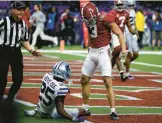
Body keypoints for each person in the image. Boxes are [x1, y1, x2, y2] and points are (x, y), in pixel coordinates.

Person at [80, 2, 127, 120]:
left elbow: (120, 33)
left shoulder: (105, 18)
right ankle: (85, 107)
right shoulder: (88, 17)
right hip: (92, 52)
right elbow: (92, 35)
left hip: (103, 52)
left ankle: (113, 111)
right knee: (84, 80)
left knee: (107, 81)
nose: (89, 21)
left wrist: (124, 49)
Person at [0, 1, 42, 104]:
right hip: (3, 51)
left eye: (23, 10)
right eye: (19, 9)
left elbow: (24, 40)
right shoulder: (4, 21)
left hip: (16, 53)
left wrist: (31, 50)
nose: (21, 12)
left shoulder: (23, 24)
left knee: (18, 79)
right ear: (12, 10)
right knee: (2, 79)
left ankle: (9, 100)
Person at [24, 61, 90, 122]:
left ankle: (36, 110)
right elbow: (60, 111)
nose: (68, 71)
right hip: (50, 114)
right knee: (84, 111)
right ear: (63, 72)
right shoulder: (61, 88)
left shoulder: (46, 76)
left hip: (40, 109)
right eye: (67, 70)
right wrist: (73, 119)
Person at [109, 0, 138, 81]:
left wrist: (134, 32)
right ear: (115, 5)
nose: (120, 6)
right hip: (114, 36)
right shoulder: (112, 13)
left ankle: (113, 71)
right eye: (118, 5)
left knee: (117, 55)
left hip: (122, 36)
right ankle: (121, 73)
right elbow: (109, 25)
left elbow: (128, 26)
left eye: (121, 4)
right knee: (117, 54)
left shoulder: (126, 13)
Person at [124, 0, 139, 79]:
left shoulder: (133, 11)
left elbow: (134, 23)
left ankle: (126, 63)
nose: (131, 7)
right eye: (129, 5)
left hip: (132, 34)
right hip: (126, 34)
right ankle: (127, 73)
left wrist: (137, 33)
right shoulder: (124, 12)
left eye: (132, 5)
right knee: (129, 54)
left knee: (136, 54)